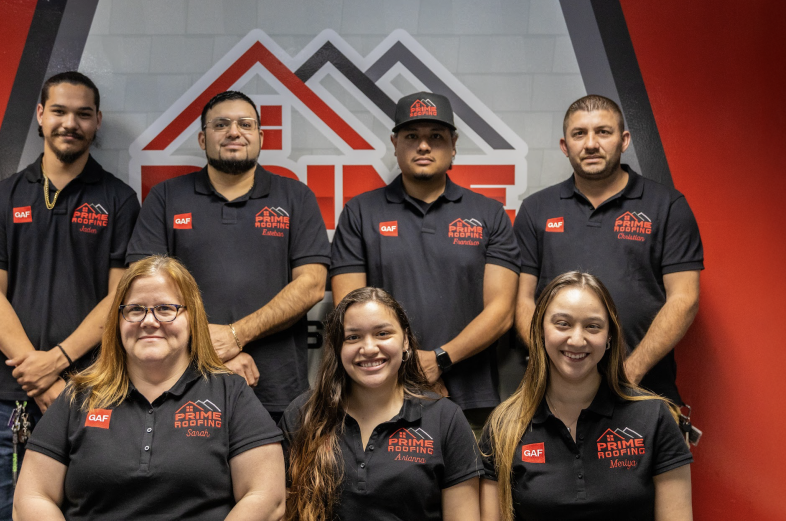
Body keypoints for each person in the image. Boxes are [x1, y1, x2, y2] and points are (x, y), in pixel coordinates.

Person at [0, 71, 140, 519]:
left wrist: (58, 361)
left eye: (83, 114)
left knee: (89, 513)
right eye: (59, 111)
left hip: (93, 392)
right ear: (41, 115)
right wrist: (38, 373)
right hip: (12, 396)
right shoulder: (3, 197)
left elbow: (122, 297)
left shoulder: (120, 200)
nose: (70, 123)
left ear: (97, 121)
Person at [13, 255, 285, 520]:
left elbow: (266, 497)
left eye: (166, 309)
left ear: (192, 318)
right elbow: (32, 498)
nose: (149, 321)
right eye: (135, 309)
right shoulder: (79, 395)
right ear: (118, 321)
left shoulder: (230, 394)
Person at [127, 91, 329, 423]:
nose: (234, 132)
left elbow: (311, 286)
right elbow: (140, 286)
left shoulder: (295, 196)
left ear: (260, 137)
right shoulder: (166, 197)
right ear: (203, 138)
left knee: (272, 477)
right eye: (221, 124)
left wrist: (236, 335)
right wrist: (209, 350)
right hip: (179, 384)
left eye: (245, 124)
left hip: (275, 391)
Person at [330, 91, 519, 429]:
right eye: (412, 136)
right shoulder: (360, 213)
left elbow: (502, 312)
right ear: (395, 142)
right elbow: (349, 311)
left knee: (472, 483)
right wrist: (410, 367)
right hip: (380, 397)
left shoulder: (488, 213)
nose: (423, 146)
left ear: (453, 144)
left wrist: (439, 361)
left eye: (436, 136)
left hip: (470, 397)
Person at [514, 95, 702, 406]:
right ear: (565, 146)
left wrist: (628, 374)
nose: (590, 144)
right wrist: (554, 368)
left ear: (624, 140)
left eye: (603, 132)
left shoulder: (667, 206)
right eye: (579, 134)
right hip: (554, 394)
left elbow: (684, 298)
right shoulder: (536, 209)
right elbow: (522, 299)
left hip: (643, 390)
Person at [479, 272, 692, 521]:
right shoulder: (503, 426)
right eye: (562, 324)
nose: (577, 340)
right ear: (540, 330)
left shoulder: (654, 418)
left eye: (593, 326)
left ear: (609, 336)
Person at [280, 287, 482, 521]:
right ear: (337, 347)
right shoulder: (303, 413)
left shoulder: (445, 419)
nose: (369, 349)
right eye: (353, 337)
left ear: (405, 340)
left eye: (382, 333)